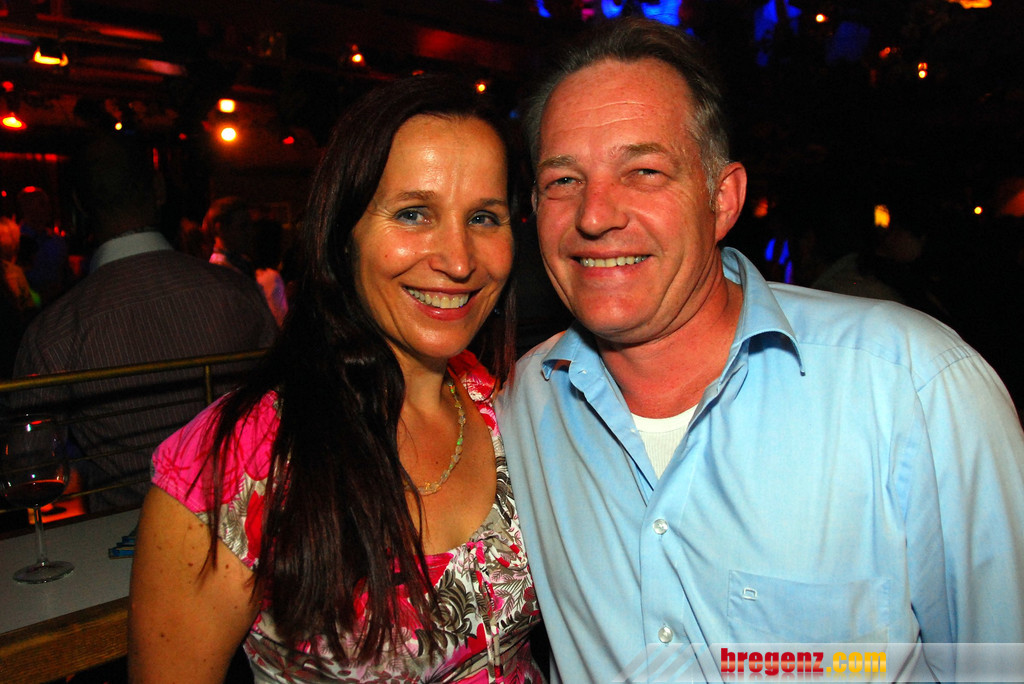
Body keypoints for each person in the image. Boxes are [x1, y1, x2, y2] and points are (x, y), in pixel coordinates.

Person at [497, 18, 1024, 683]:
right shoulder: (522, 406)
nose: (595, 215)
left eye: (645, 171)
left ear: (722, 199)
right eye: (563, 181)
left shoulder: (913, 389)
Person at [128, 75, 542, 683]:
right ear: (342, 233)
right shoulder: (232, 468)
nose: (458, 260)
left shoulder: (509, 408)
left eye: (483, 216)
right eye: (413, 213)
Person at [12, 134, 278, 511]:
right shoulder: (239, 294)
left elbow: (29, 468)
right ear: (158, 189)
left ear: (78, 204)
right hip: (243, 525)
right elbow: (287, 411)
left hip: (121, 535)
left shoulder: (54, 332)